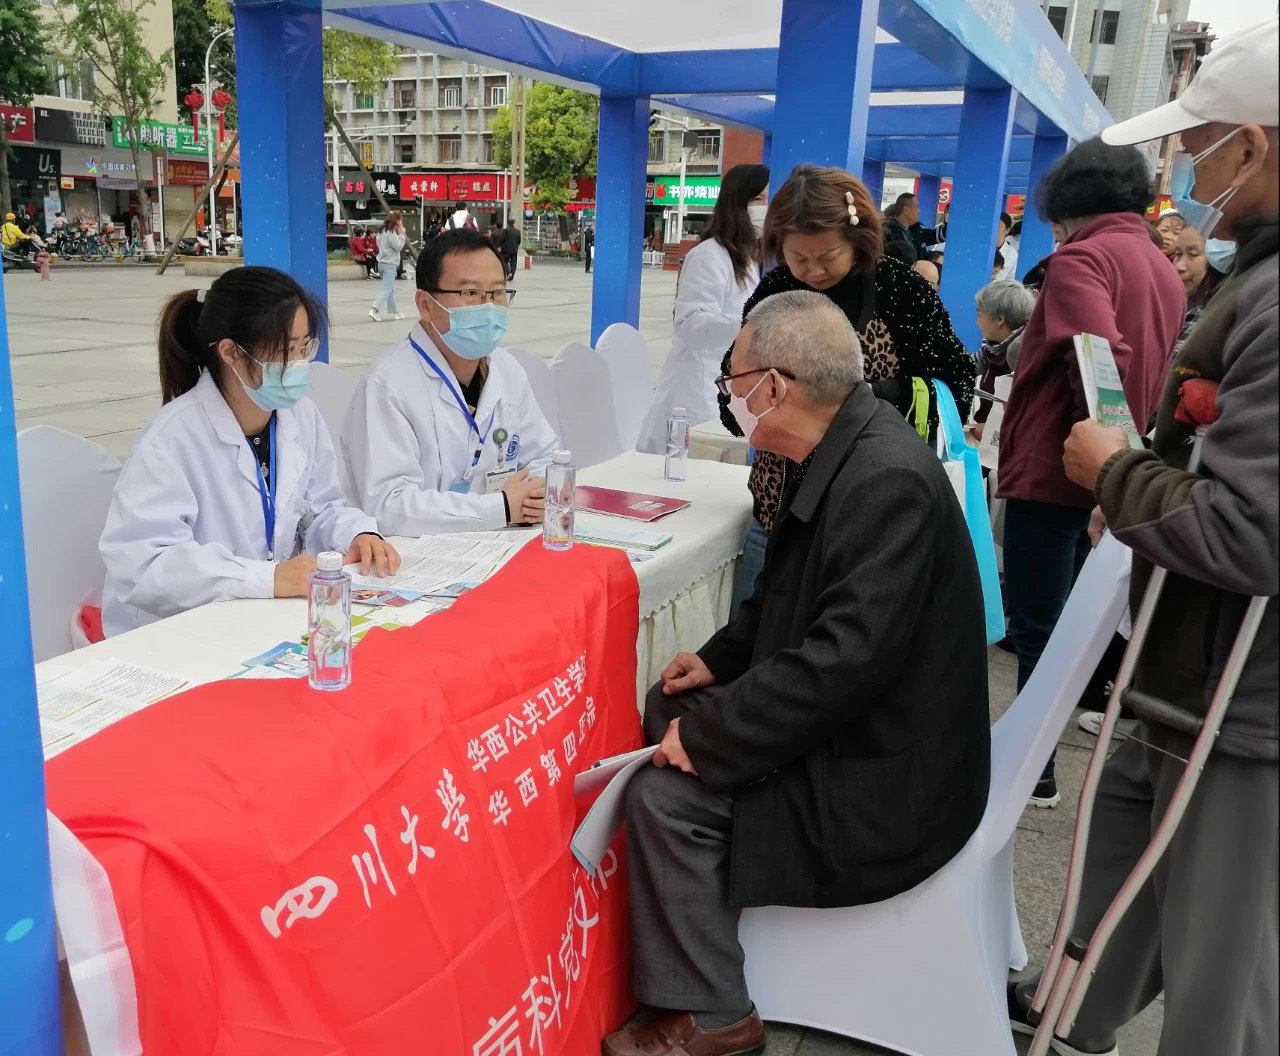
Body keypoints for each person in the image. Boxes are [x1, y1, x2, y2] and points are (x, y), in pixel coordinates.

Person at [601, 291, 991, 1056]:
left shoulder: (883, 480)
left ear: (772, 388)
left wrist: (712, 742)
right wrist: (717, 661)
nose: (727, 395)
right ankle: (701, 922)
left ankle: (714, 1012)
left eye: (732, 380)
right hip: (864, 720)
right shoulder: (845, 447)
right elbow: (789, 594)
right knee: (669, 705)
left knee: (665, 797)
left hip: (889, 773)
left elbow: (840, 664)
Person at [1008, 19, 1279, 1056]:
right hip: (1186, 665)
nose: (1187, 171)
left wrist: (1114, 472)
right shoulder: (1225, 273)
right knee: (1124, 840)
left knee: (1224, 960)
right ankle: (1066, 1013)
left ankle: (1076, 1014)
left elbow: (1252, 533)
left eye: (1199, 145)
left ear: (1250, 144)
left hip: (1237, 692)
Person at [996, 137, 1186, 808]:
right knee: (1071, 624)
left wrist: (1104, 454)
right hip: (1111, 473)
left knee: (1037, 627)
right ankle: (1037, 758)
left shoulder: (1082, 258)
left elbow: (1097, 355)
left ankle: (1030, 770)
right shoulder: (1162, 268)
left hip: (1060, 470)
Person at [718, 163, 974, 617]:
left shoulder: (901, 289)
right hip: (779, 507)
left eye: (828, 255)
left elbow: (955, 382)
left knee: (849, 635)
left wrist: (874, 395)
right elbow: (734, 384)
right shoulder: (775, 290)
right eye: (798, 257)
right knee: (757, 630)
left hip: (873, 512)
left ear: (857, 238)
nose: (813, 271)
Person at [98, 267, 398, 638]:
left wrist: (356, 533)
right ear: (231, 353)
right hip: (178, 632)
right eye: (285, 351)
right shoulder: (170, 439)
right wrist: (267, 578)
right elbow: (144, 564)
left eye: (304, 347)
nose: (299, 364)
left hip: (262, 618)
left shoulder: (300, 415)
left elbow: (320, 508)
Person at [344, 228, 559, 535]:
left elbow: (546, 456)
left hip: (499, 540)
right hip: (413, 553)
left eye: (498, 293)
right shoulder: (387, 384)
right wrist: (499, 507)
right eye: (470, 293)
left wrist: (536, 494)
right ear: (426, 304)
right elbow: (389, 506)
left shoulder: (507, 370)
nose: (489, 307)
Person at [637, 163, 770, 453]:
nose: (766, 208)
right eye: (758, 199)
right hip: (699, 387)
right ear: (737, 203)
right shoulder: (708, 256)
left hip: (729, 384)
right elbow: (690, 325)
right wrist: (754, 324)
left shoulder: (747, 259)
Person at [970, 279, 1037, 441]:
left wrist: (993, 430)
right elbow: (967, 364)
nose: (976, 321)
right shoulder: (994, 349)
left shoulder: (1020, 354)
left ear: (1000, 320)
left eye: (979, 315)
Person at [1170, 224, 1229, 346]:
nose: (1179, 266)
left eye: (1193, 254)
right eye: (1178, 254)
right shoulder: (1175, 302)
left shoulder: (1210, 314)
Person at [368, 213, 406, 322]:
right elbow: (398, 247)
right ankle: (374, 309)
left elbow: (379, 245)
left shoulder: (381, 231)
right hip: (390, 265)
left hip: (381, 264)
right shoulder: (391, 233)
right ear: (396, 222)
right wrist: (402, 235)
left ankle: (396, 312)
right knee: (387, 290)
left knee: (391, 290)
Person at [994, 211, 1019, 280]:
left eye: (997, 226)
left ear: (1007, 230)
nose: (993, 229)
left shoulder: (1012, 254)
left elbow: (1010, 280)